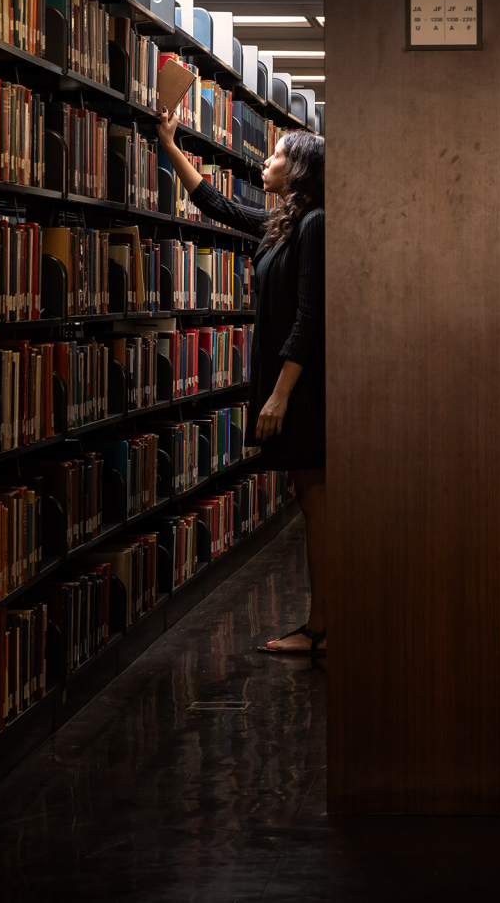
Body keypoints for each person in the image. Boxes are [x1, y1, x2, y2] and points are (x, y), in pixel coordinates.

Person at [156, 108, 328, 653]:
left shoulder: (316, 223)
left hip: (303, 389)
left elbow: (310, 315)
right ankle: (322, 623)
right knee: (312, 502)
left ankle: (323, 629)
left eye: (277, 154)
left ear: (299, 169)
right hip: (289, 387)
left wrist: (280, 394)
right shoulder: (283, 223)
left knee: (319, 507)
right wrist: (166, 142)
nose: (266, 160)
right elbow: (217, 203)